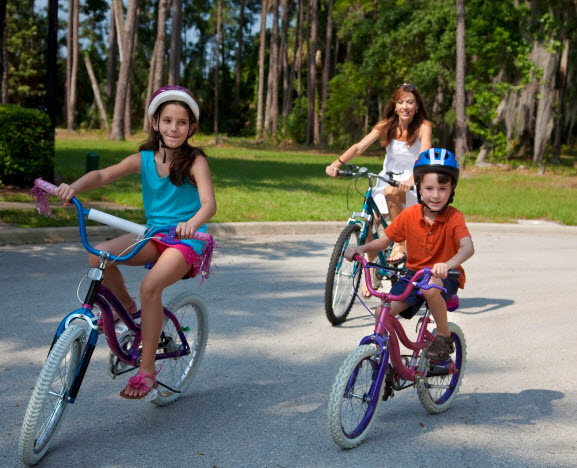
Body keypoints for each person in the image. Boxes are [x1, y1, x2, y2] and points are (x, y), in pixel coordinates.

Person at [56, 85, 217, 399]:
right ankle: (126, 308)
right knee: (98, 257)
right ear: (155, 123)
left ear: (191, 128)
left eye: (181, 122)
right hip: (155, 235)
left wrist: (192, 223)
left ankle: (147, 372)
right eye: (167, 120)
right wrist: (73, 188)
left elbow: (209, 204)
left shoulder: (196, 161)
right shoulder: (143, 158)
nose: (174, 128)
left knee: (151, 286)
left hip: (187, 241)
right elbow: (103, 175)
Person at [344, 148, 474, 361]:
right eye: (429, 188)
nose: (435, 195)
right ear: (419, 188)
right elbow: (385, 240)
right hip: (413, 275)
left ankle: (443, 336)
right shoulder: (409, 214)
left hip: (444, 277)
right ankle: (385, 356)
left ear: (452, 189)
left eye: (442, 188)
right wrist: (361, 248)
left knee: (431, 284)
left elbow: (468, 247)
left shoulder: (453, 217)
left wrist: (448, 265)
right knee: (381, 312)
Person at [326, 83, 432, 295]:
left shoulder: (424, 126)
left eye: (410, 102)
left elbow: (425, 154)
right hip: (387, 178)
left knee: (391, 193)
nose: (405, 106)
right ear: (394, 106)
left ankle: (400, 244)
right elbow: (359, 147)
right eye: (401, 102)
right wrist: (337, 163)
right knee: (367, 219)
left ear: (417, 106)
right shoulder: (387, 125)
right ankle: (372, 268)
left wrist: (413, 178)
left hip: (411, 183)